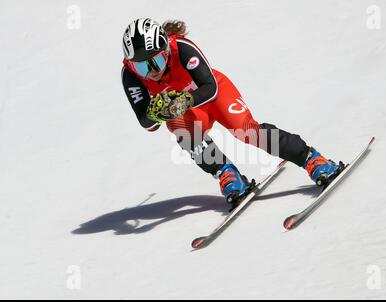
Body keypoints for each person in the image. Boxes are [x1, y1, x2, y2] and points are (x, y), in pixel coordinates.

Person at [121, 18, 342, 204]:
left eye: (156, 62)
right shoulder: (129, 75)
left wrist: (185, 100)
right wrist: (156, 114)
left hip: (213, 95)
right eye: (141, 66)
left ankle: (312, 158)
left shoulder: (183, 49)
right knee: (181, 131)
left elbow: (210, 88)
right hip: (188, 110)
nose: (151, 73)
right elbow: (145, 122)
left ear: (166, 50)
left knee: (246, 131)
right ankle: (226, 172)